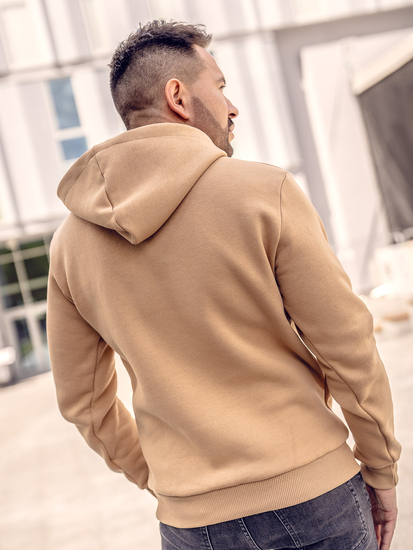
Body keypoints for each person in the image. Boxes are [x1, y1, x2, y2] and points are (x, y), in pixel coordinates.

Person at [47, 20, 401, 550]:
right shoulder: (264, 192)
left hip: (192, 524)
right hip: (315, 498)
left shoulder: (70, 246)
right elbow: (347, 345)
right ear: (178, 97)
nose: (232, 107)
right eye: (220, 86)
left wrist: (169, 480)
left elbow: (84, 403)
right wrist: (381, 465)